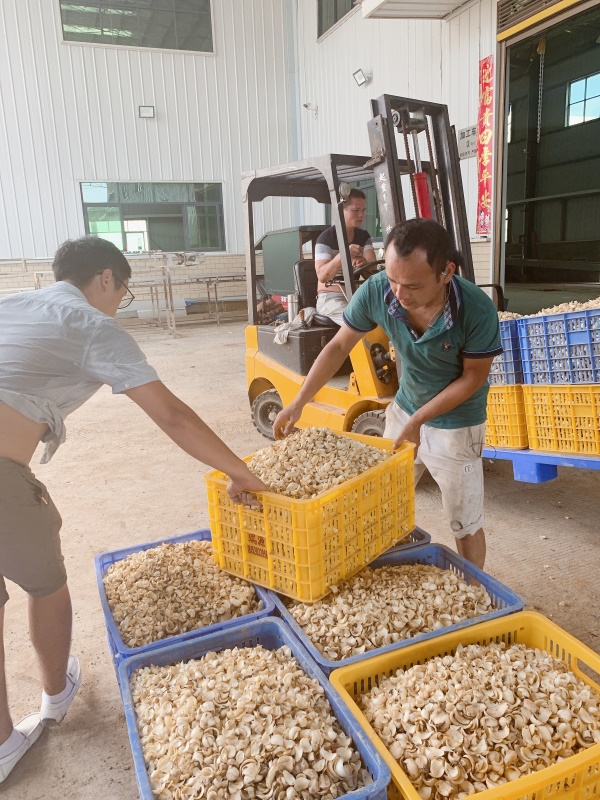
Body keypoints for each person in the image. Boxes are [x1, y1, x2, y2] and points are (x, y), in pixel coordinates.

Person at [0, 236, 265, 783]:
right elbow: (171, 415)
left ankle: (5, 739)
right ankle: (54, 695)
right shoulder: (93, 325)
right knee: (46, 584)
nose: (118, 302)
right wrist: (242, 472)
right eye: (121, 291)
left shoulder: (12, 304)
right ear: (105, 279)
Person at [275, 219, 502, 571]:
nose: (398, 293)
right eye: (393, 279)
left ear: (446, 272)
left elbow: (473, 379)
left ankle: (474, 590)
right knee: (382, 501)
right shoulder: (378, 290)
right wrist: (298, 401)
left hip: (457, 423)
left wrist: (419, 421)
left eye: (412, 285)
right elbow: (338, 347)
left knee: (465, 519)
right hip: (406, 408)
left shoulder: (476, 309)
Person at [315, 189, 376, 325]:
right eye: (355, 210)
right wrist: (343, 255)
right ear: (341, 211)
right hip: (330, 299)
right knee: (358, 322)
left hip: (355, 296)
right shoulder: (325, 239)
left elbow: (372, 271)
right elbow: (322, 276)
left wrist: (364, 263)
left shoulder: (363, 236)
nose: (361, 215)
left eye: (363, 210)